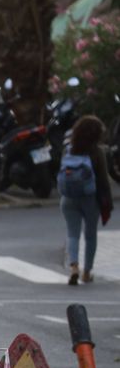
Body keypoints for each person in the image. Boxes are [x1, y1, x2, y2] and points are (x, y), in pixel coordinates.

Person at [58, 112, 113, 286]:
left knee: (72, 234)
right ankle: (87, 271)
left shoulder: (67, 148)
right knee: (90, 235)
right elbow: (103, 180)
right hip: (90, 198)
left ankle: (74, 266)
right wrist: (107, 202)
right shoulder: (97, 152)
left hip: (68, 198)